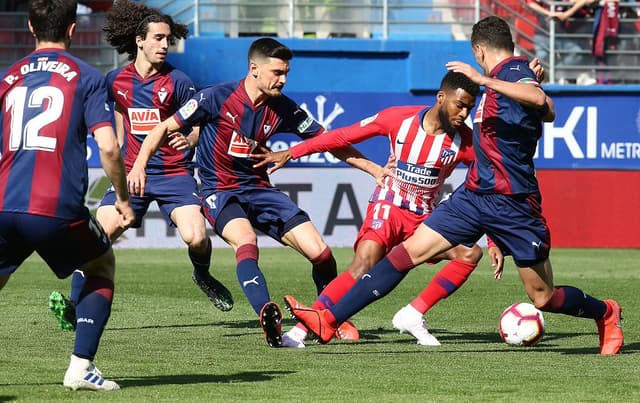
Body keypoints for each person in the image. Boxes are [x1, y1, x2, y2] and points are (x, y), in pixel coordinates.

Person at [285, 16, 624, 356]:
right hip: (474, 197)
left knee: (542, 297)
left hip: (514, 203)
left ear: (479, 50)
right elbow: (535, 105)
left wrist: (486, 78)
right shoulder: (505, 79)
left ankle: (606, 313)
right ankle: (327, 320)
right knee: (406, 254)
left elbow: (543, 104)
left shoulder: (511, 70)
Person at [126, 37, 385, 347]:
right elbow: (162, 128)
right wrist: (140, 164)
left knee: (322, 254)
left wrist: (375, 170)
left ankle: (328, 316)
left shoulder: (283, 108)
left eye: (286, 72)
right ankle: (267, 315)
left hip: (259, 188)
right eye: (277, 72)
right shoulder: (215, 97)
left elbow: (329, 141)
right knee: (246, 241)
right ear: (254, 69)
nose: (283, 80)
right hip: (219, 190)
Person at [252, 71, 504, 348]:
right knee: (365, 262)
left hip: (425, 218)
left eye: (470, 107)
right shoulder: (399, 119)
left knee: (469, 253)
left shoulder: (466, 142)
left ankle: (414, 313)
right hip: (389, 204)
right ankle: (299, 332)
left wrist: (492, 239)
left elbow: (486, 184)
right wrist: (292, 152)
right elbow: (341, 136)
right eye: (460, 105)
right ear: (441, 98)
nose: (464, 113)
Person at [48, 0, 233, 332]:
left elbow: (197, 123)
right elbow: (116, 115)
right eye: (158, 38)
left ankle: (202, 273)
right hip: (133, 175)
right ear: (139, 41)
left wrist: (189, 140)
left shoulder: (179, 81)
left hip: (175, 174)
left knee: (196, 238)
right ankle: (74, 307)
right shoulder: (115, 80)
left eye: (167, 39)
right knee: (96, 237)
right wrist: (121, 151)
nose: (165, 45)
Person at [0, 0, 135, 390]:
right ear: (73, 30)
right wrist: (122, 199)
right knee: (100, 266)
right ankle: (80, 367)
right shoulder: (87, 76)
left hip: (5, 203)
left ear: (30, 27)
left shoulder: (8, 77)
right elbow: (109, 148)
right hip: (55, 207)